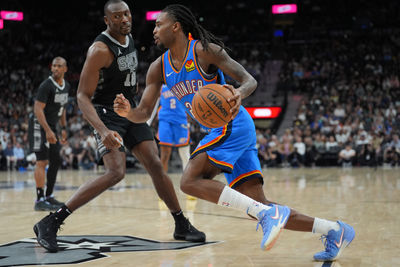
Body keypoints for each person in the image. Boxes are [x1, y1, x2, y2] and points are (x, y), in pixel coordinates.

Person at [113, 4, 355, 261]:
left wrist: (239, 92)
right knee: (257, 206)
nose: (154, 30)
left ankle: (268, 216)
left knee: (188, 181)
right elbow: (144, 112)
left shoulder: (205, 50)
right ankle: (334, 230)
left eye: (159, 24)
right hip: (227, 130)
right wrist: (128, 112)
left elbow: (249, 80)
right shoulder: (157, 68)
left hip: (232, 124)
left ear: (176, 26)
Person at [33, 0, 204, 253]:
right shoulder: (99, 50)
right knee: (116, 172)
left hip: (129, 108)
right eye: (117, 17)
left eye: (127, 14)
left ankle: (180, 223)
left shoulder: (130, 37)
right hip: (106, 114)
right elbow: (82, 96)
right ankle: (51, 221)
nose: (124, 19)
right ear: (106, 21)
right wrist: (103, 130)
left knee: (156, 164)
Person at [28, 56, 70, 211]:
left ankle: (49, 196)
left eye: (59, 66)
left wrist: (64, 128)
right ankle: (39, 199)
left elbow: (63, 108)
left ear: (65, 69)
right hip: (39, 125)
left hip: (52, 125)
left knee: (56, 160)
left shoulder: (66, 86)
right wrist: (48, 131)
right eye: (53, 66)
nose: (55, 69)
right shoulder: (46, 85)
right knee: (42, 161)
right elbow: (37, 110)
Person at [156, 84, 190, 172]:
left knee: (185, 154)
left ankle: (188, 181)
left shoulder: (184, 84)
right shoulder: (161, 87)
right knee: (165, 154)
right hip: (165, 120)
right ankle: (162, 181)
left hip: (180, 120)